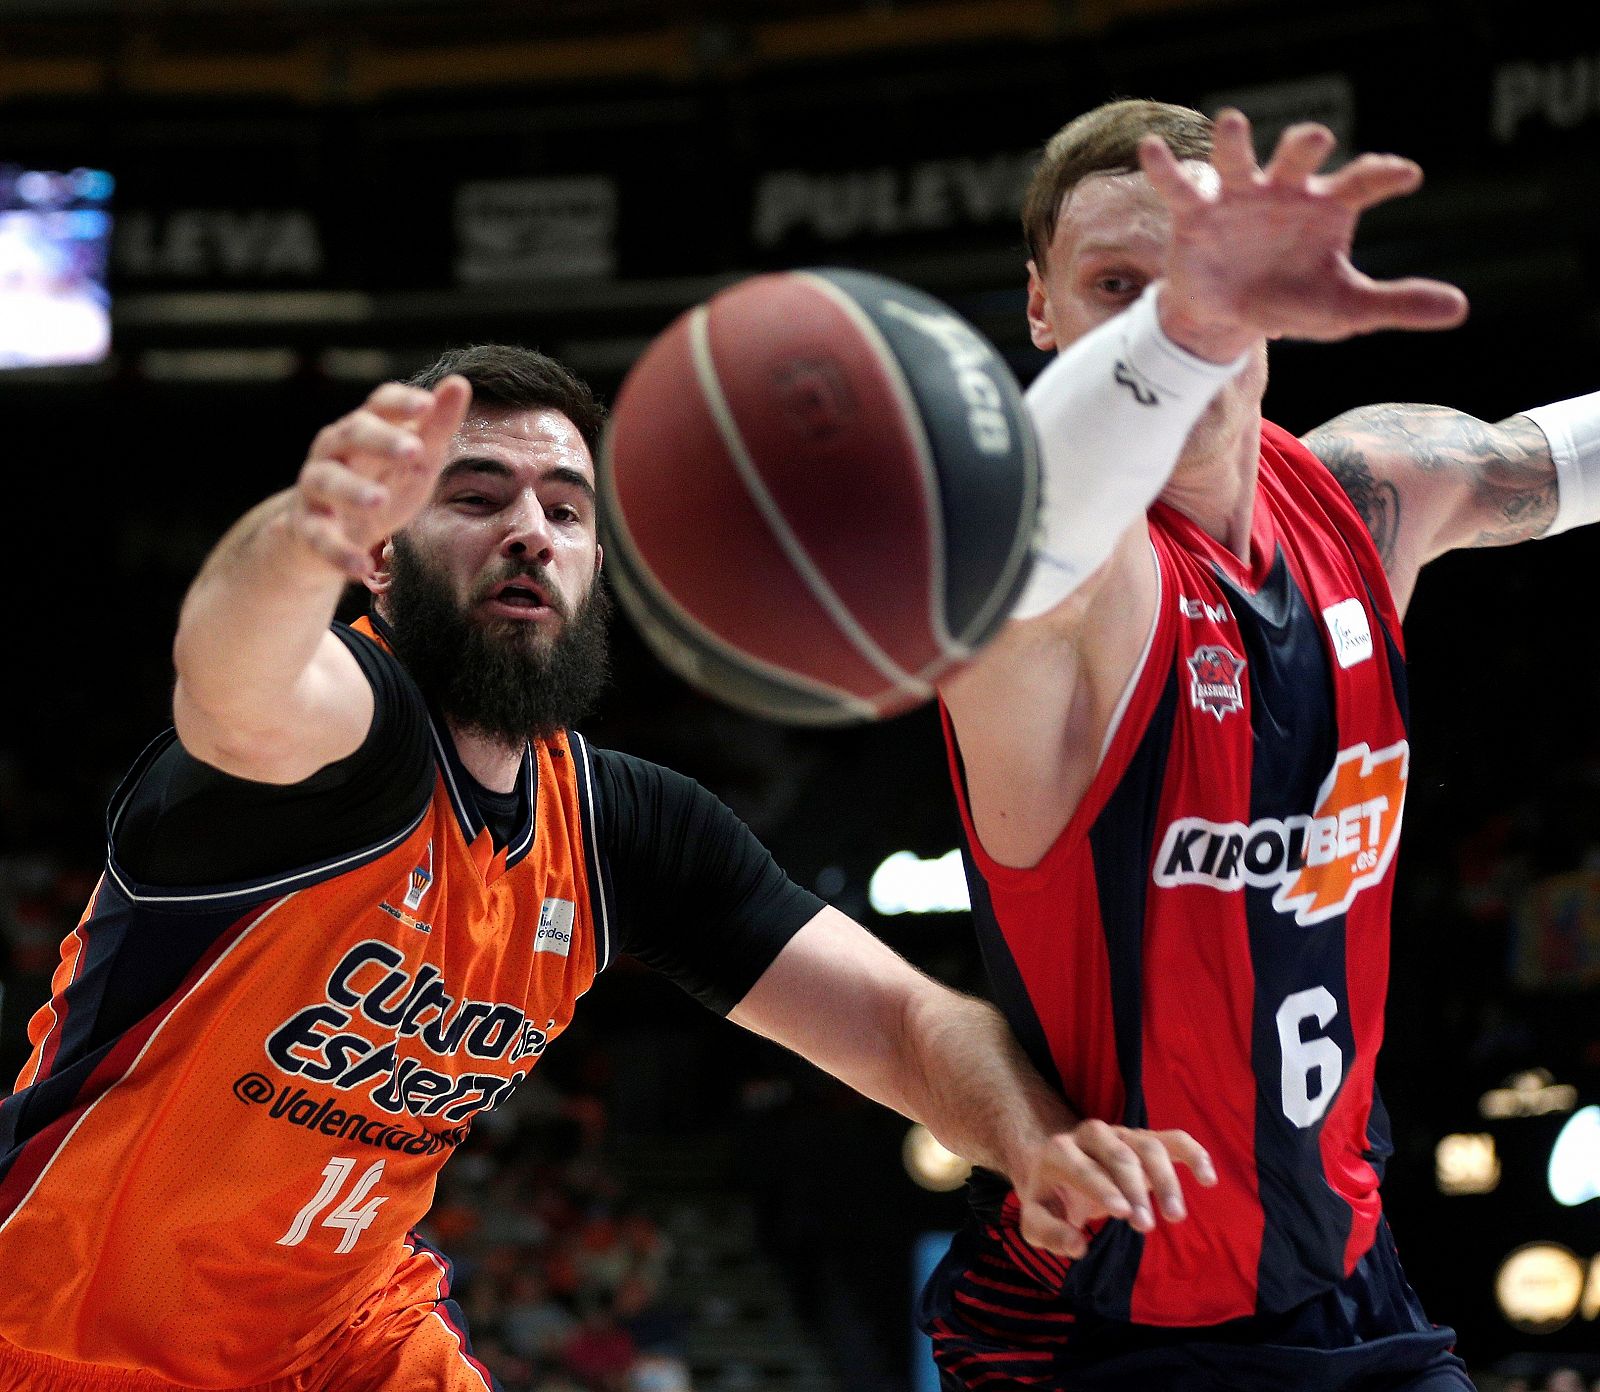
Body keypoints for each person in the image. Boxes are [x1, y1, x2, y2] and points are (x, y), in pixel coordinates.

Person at [0, 344, 1214, 1391]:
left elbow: (900, 1022)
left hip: (348, 1337)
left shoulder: (624, 829)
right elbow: (233, 678)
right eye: (473, 494)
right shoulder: (342, 737)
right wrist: (293, 535)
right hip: (62, 1333)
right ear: (379, 558)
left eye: (566, 508)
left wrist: (1034, 1140)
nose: (530, 527)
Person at [919, 99, 1600, 1391]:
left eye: (1205, 280)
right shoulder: (1047, 591)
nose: (1178, 316)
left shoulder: (1363, 498)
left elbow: (1547, 458)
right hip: (1112, 1329)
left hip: (1351, 1283)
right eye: (1116, 286)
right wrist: (1188, 329)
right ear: (1040, 313)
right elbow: (1049, 522)